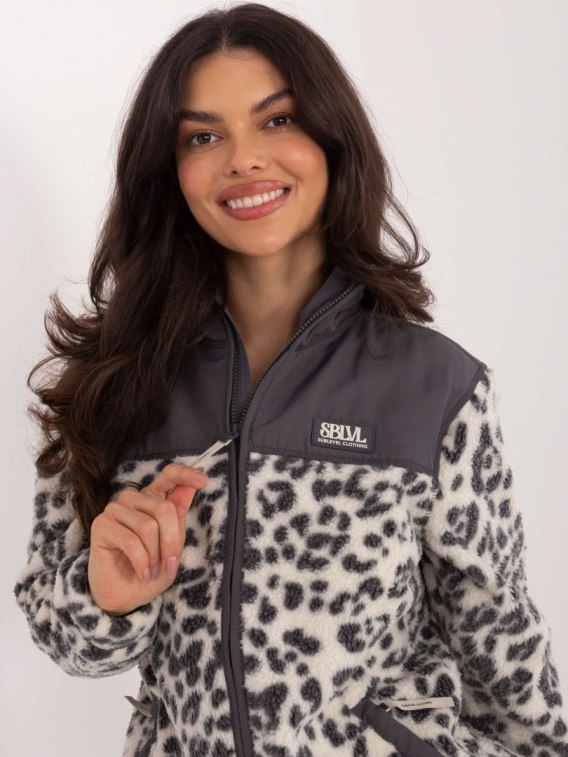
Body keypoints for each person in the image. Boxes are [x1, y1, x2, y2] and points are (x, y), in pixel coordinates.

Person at [14, 3, 568, 756]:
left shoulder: (436, 386)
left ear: (332, 139)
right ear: (169, 171)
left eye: (277, 120)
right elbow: (64, 638)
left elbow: (500, 640)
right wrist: (105, 594)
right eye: (203, 136)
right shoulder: (112, 383)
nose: (243, 159)